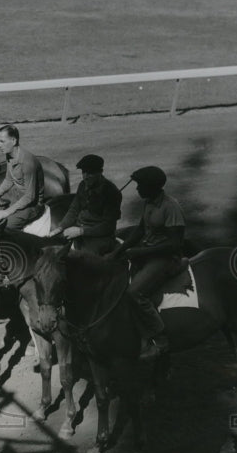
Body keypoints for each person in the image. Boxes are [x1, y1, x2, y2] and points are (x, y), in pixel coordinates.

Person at [105, 165, 185, 360]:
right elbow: (140, 231)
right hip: (147, 254)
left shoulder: (170, 206)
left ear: (153, 187)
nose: (137, 189)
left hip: (166, 258)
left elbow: (175, 243)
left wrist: (141, 252)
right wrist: (118, 252)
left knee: (134, 293)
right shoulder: (149, 202)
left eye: (140, 185)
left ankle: (159, 338)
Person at [50, 154, 122, 255]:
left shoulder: (111, 192)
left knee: (83, 260)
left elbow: (108, 226)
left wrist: (81, 231)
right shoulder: (82, 185)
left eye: (90, 173)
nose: (85, 177)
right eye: (84, 172)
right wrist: (60, 227)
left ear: (100, 172)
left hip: (99, 238)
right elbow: (74, 210)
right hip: (77, 230)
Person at [0, 125, 45, 228]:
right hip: (17, 197)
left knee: (4, 227)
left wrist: (6, 212)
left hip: (32, 205)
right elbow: (8, 180)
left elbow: (30, 197)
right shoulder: (10, 155)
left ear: (13, 141)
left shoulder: (27, 162)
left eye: (2, 141)